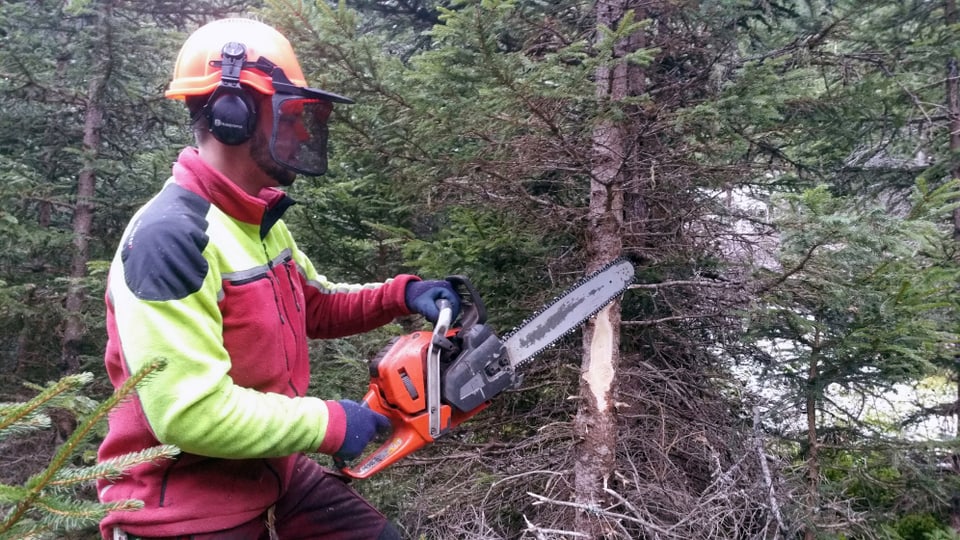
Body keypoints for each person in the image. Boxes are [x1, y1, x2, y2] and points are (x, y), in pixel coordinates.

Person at [96, 17, 461, 540]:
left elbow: (314, 302)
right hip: (184, 506)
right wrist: (331, 423)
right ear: (232, 115)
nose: (301, 131)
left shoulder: (253, 219)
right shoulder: (172, 237)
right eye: (290, 114)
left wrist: (400, 294)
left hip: (272, 473)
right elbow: (189, 413)